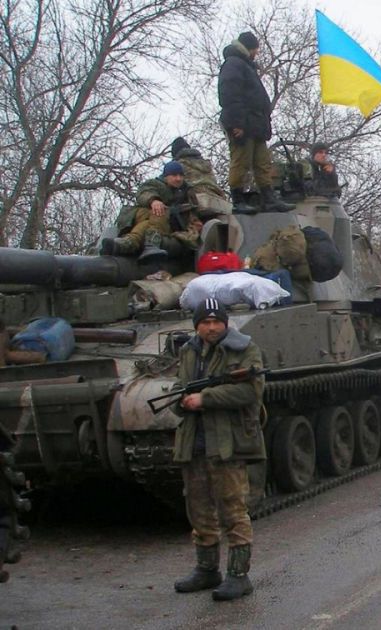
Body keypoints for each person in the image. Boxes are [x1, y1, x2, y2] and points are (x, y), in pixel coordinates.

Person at [171, 298, 266, 602]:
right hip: (194, 441)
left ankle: (239, 576)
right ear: (196, 325)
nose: (211, 327)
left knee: (232, 508)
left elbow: (250, 390)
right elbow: (180, 387)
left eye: (216, 321)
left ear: (225, 322)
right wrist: (181, 401)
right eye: (205, 322)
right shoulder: (188, 351)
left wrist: (206, 398)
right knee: (198, 507)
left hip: (228, 441)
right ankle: (206, 569)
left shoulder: (243, 349)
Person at [217, 31, 294, 213]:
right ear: (249, 48)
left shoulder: (246, 66)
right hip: (243, 124)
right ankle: (238, 200)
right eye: (256, 50)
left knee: (263, 162)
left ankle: (268, 198)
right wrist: (236, 123)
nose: (257, 54)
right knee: (241, 161)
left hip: (255, 125)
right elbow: (229, 94)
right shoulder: (233, 64)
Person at [100, 161, 194, 260]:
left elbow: (193, 209)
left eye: (181, 175)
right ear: (166, 176)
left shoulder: (187, 191)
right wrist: (153, 201)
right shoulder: (155, 183)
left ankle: (128, 243)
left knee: (148, 223)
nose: (178, 179)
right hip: (142, 215)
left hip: (165, 223)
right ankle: (152, 244)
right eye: (174, 175)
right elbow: (144, 192)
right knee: (159, 210)